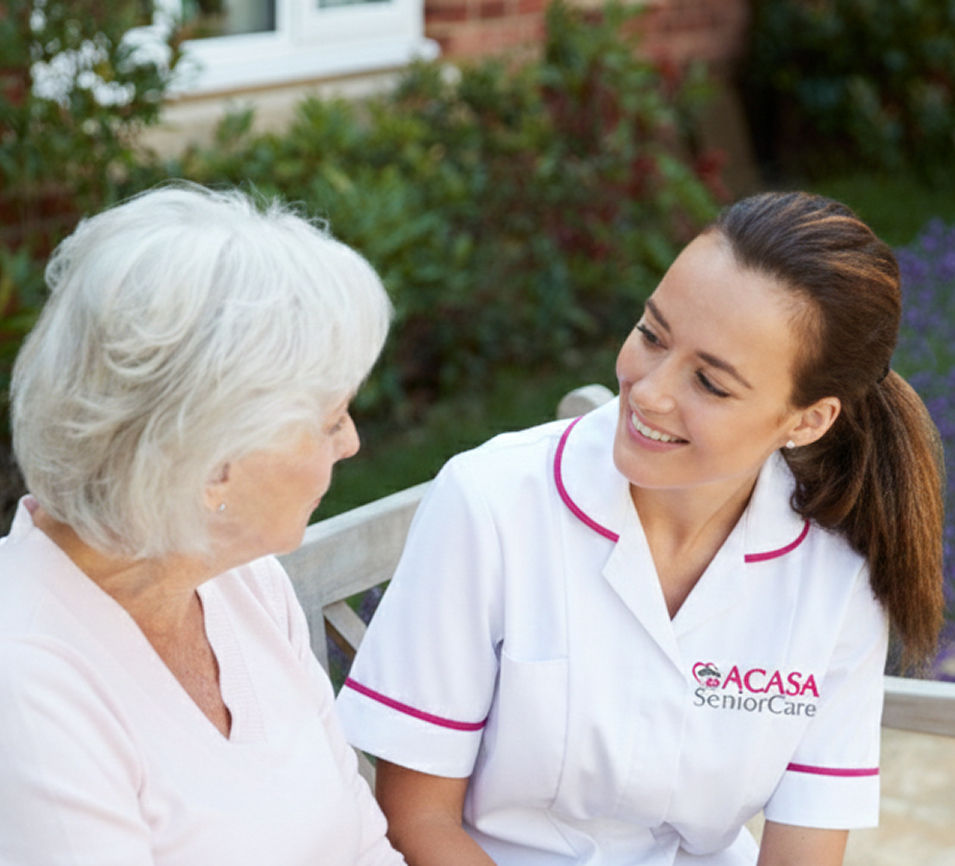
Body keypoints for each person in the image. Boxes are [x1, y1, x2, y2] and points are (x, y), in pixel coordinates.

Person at [335, 192, 946, 866]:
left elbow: (803, 848)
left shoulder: (835, 577)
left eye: (709, 383)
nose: (650, 391)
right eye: (651, 334)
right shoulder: (491, 504)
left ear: (807, 420)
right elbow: (417, 820)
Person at [0, 184, 405, 866]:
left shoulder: (242, 579)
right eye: (331, 419)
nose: (351, 443)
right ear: (214, 464)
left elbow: (364, 846)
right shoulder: (27, 685)